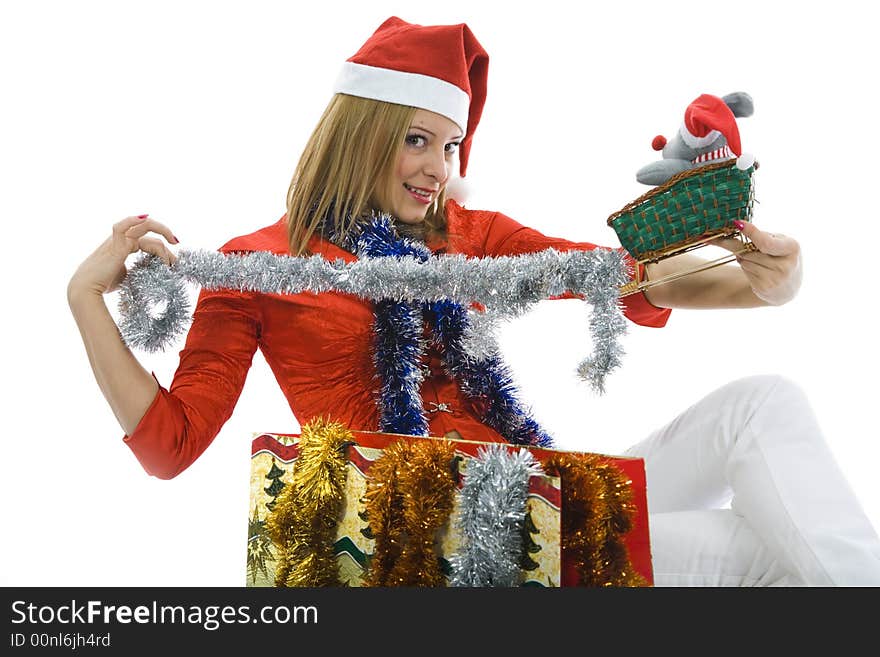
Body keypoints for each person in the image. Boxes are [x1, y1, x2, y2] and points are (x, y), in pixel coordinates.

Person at [67, 16, 880, 586]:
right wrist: (83, 299)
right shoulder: (259, 265)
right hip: (449, 545)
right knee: (774, 553)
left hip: (538, 490)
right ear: (362, 130)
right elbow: (168, 445)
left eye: (450, 144)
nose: (436, 166)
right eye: (416, 138)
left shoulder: (465, 234)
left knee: (765, 407)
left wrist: (770, 284)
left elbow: (618, 275)